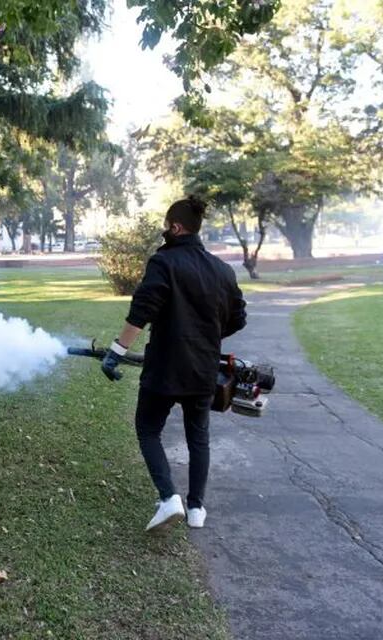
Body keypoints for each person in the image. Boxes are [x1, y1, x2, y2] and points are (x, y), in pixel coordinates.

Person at [101, 195, 246, 532]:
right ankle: (196, 509)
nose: (165, 232)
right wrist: (206, 334)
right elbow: (238, 318)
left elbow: (141, 312)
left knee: (148, 429)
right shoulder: (222, 270)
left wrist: (115, 353)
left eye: (168, 226)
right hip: (203, 369)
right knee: (199, 438)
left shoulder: (164, 263)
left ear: (176, 227)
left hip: (165, 369)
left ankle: (169, 499)